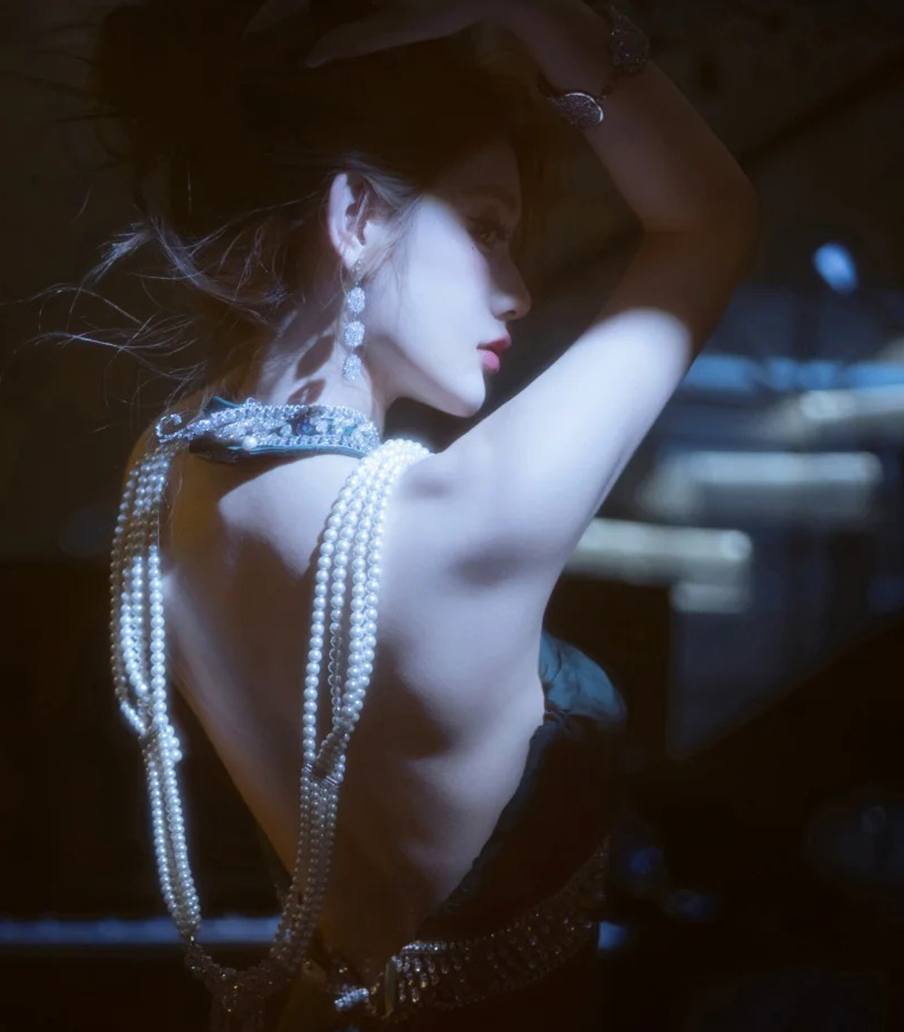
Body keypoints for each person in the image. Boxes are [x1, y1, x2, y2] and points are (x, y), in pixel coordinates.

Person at [96, 0, 760, 1028]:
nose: (519, 291)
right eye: (487, 228)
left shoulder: (165, 472)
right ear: (357, 217)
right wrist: (542, 13)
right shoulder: (463, 519)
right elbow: (710, 218)